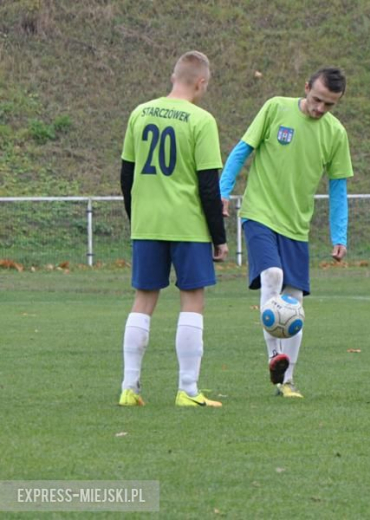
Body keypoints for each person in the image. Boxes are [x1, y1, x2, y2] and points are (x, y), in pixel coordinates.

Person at [220, 67, 353, 399]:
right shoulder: (275, 108)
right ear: (306, 88)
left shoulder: (336, 134)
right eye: (317, 99)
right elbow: (242, 150)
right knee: (273, 274)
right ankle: (272, 356)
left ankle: (287, 380)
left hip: (296, 225)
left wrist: (340, 235)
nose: (320, 109)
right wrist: (223, 191)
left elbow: (338, 188)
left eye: (329, 105)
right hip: (259, 213)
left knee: (295, 303)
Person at [118, 50, 228, 408]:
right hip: (188, 225)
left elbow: (126, 176)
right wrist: (219, 238)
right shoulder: (201, 120)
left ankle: (129, 388)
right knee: (192, 301)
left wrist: (139, 219)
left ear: (173, 76)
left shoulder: (139, 112)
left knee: (143, 300)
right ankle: (188, 390)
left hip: (148, 223)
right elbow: (209, 186)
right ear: (201, 82)